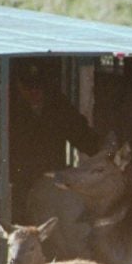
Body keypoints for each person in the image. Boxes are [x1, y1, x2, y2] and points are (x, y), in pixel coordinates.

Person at [8, 62, 102, 224]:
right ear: (18, 85)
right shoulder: (9, 110)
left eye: (38, 86)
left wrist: (108, 154)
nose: (34, 92)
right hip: (19, 184)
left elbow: (86, 139)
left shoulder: (58, 106)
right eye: (28, 87)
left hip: (51, 183)